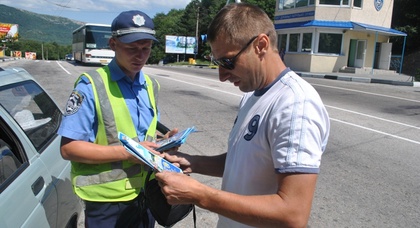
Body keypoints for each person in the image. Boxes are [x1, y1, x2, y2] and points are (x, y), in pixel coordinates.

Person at [155, 3, 330, 228]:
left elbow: (293, 214)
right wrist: (192, 162)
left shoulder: (296, 104)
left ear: (261, 45)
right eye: (216, 63)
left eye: (228, 62)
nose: (221, 76)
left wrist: (201, 195)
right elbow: (246, 160)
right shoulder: (253, 94)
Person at [58, 10, 177, 228]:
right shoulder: (91, 86)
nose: (139, 56)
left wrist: (164, 140)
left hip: (146, 194)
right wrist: (130, 153)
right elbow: (69, 149)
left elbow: (141, 132)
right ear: (113, 44)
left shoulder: (150, 85)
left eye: (146, 49)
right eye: (131, 48)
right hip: (107, 202)